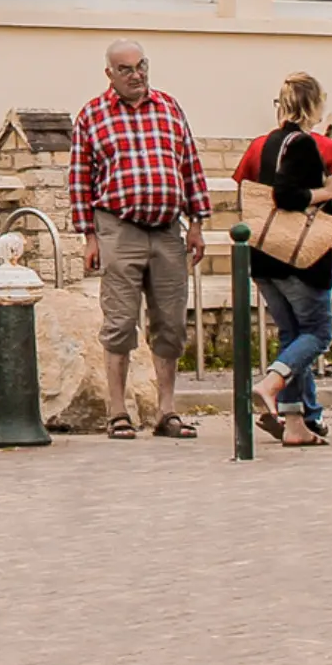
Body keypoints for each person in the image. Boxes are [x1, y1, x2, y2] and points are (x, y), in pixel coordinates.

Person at [71, 39, 210, 440]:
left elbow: (190, 165)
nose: (137, 75)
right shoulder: (92, 116)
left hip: (168, 229)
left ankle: (166, 411)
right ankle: (117, 411)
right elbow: (80, 179)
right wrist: (89, 237)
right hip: (119, 227)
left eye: (141, 66)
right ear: (110, 74)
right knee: (120, 321)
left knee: (170, 322)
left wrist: (197, 222)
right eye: (127, 69)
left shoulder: (168, 107)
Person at [239, 74, 332, 446]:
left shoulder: (268, 143)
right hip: (297, 260)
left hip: (266, 258)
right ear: (313, 104)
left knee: (291, 335)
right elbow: (287, 196)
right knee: (318, 333)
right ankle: (272, 382)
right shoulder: (302, 144)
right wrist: (327, 190)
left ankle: (296, 423)